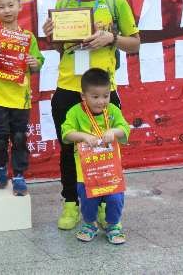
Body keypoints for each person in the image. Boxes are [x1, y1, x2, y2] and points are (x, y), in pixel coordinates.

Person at [42, 0, 140, 230]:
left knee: (105, 148)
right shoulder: (64, 5)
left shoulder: (115, 3)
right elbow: (60, 49)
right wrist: (51, 37)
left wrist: (112, 38)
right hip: (68, 88)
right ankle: (71, 203)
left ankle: (103, 203)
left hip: (102, 92)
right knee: (68, 149)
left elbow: (135, 44)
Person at [0, 0, 44, 196]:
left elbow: (37, 65)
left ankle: (18, 174)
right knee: (0, 137)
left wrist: (34, 62)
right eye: (1, 7)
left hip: (20, 98)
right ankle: (0, 167)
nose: (7, 10)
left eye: (10, 5)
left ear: (19, 6)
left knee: (19, 137)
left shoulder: (28, 37)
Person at [62, 68, 130, 244]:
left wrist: (113, 131)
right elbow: (66, 133)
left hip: (110, 169)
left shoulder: (113, 110)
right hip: (86, 171)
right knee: (88, 199)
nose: (101, 101)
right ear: (83, 96)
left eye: (106, 96)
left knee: (115, 198)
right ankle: (89, 224)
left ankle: (113, 225)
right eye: (95, 97)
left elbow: (125, 129)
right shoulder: (75, 112)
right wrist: (83, 136)